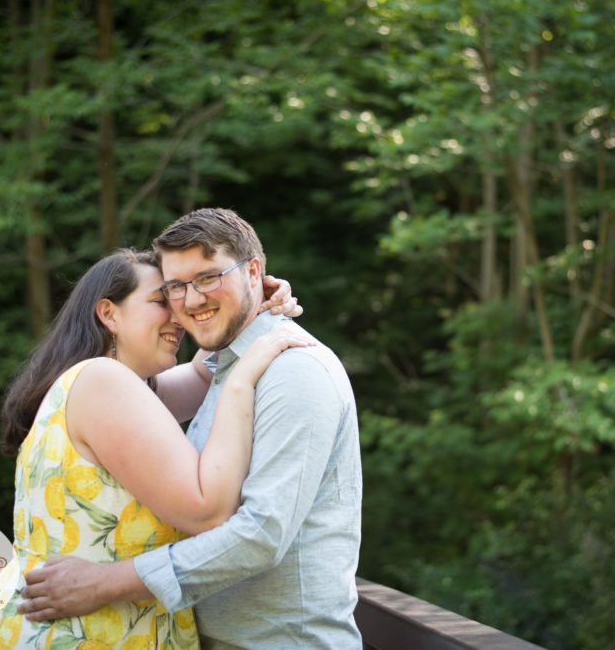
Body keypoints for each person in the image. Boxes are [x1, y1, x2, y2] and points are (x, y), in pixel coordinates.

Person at [18, 208, 363, 648]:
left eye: (208, 277)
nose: (187, 303)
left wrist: (106, 582)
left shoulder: (290, 370)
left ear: (255, 270)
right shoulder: (207, 377)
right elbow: (212, 359)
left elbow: (260, 534)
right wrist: (245, 301)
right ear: (109, 314)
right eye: (171, 291)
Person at [0, 247, 310, 650]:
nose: (178, 317)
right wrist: (242, 380)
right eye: (161, 302)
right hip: (84, 635)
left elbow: (202, 373)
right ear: (109, 313)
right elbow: (208, 509)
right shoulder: (103, 381)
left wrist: (251, 298)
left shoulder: (101, 387)